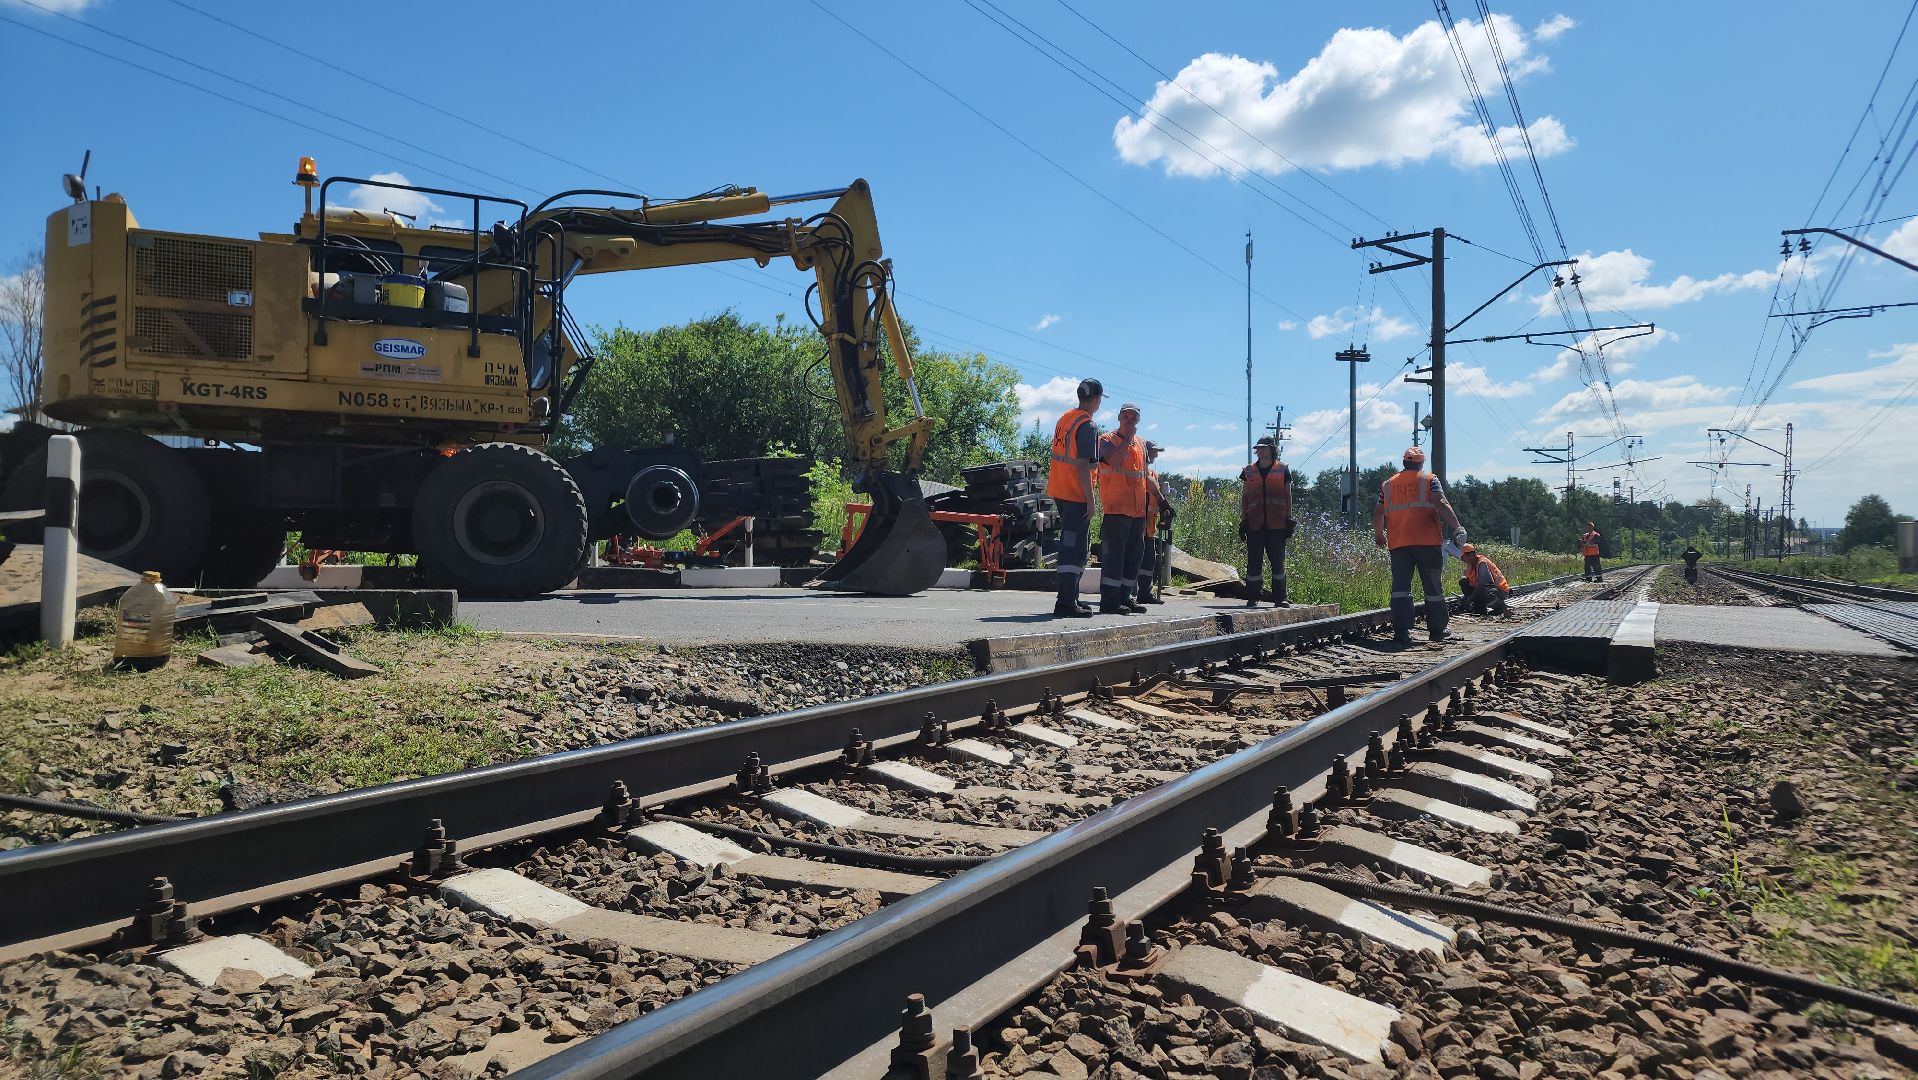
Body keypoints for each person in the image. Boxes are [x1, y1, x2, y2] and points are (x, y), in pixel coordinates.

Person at [1372, 447, 1467, 648]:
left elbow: (1378, 511)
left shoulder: (1388, 484)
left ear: (1404, 462)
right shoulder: (1429, 479)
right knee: (1433, 587)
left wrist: (1379, 534)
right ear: (1421, 463)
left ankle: (1401, 632)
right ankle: (1437, 630)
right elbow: (1440, 502)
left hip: (1398, 543)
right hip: (1427, 542)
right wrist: (1457, 527)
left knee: (1400, 589)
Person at [1045, 378, 1103, 619]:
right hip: (1076, 495)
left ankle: (1071, 598)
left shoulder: (1065, 418)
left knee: (1071, 545)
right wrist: (1091, 500)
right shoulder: (1087, 426)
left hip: (1061, 491)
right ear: (1098, 399)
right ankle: (1066, 602)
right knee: (1074, 548)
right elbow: (1082, 465)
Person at [1096, 403, 1150, 615]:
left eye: (1133, 417)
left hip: (1137, 511)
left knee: (1134, 556)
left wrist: (1162, 501)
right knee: (1114, 557)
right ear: (1119, 417)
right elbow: (1112, 459)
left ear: (1138, 420)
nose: (1129, 420)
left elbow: (1144, 476)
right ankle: (1109, 600)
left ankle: (1126, 597)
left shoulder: (1141, 444)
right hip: (1116, 510)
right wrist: (1127, 439)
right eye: (1126, 416)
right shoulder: (1106, 440)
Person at [1238, 435, 1294, 608]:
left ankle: (1280, 598)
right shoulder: (1248, 470)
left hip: (1277, 523)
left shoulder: (1283, 469)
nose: (1260, 451)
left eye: (1263, 447)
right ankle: (1253, 596)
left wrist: (1289, 518)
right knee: (1254, 562)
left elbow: (1287, 495)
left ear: (1272, 449)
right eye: (1258, 448)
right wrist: (1244, 520)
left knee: (1277, 562)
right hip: (1255, 523)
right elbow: (1245, 496)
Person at [1136, 442, 1173, 604]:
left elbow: (1155, 500)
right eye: (1154, 451)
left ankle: (1145, 592)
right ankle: (1131, 593)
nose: (1156, 455)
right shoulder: (1138, 471)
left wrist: (1165, 507)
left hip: (1149, 527)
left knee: (1148, 562)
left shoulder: (1153, 474)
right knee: (1134, 561)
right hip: (1136, 525)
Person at [1458, 543, 1509, 617]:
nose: (1465, 561)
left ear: (1471, 555)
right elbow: (1470, 582)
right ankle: (1479, 606)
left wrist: (1469, 600)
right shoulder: (1471, 564)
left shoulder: (1482, 563)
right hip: (1483, 589)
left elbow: (1482, 585)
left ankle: (1500, 608)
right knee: (1463, 581)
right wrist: (1467, 598)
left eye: (1465, 558)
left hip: (1499, 590)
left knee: (1488, 592)